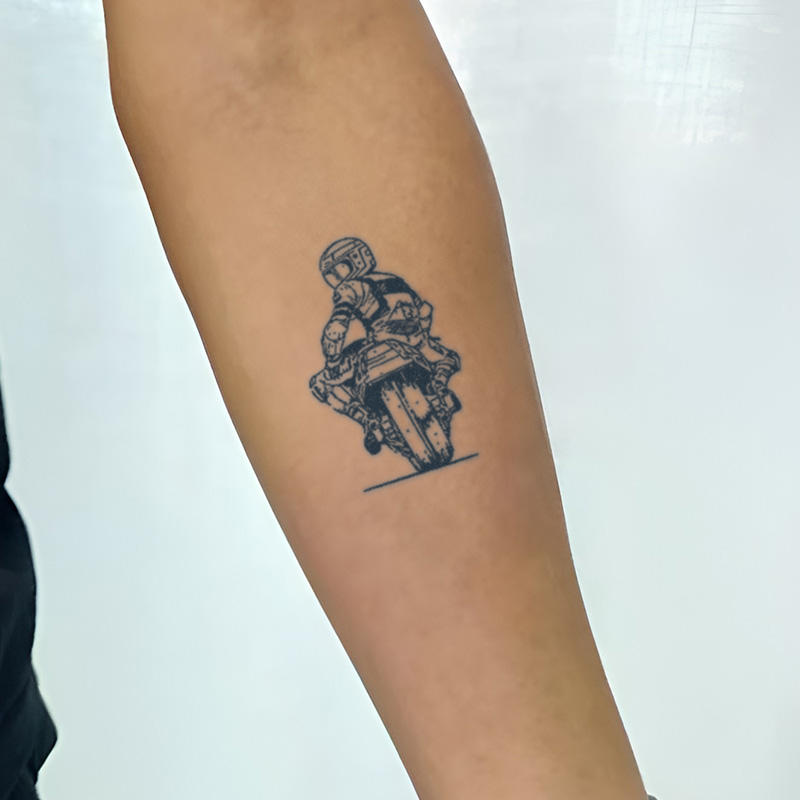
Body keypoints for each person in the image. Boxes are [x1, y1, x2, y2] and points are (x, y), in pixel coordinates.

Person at [3, 1, 660, 797]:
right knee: (338, 383)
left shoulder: (379, 289)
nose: (347, 278)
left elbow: (268, 46)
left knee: (429, 352)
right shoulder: (345, 309)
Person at [309, 236, 461, 455]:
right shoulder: (396, 280)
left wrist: (332, 361)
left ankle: (367, 420)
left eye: (340, 269)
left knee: (320, 383)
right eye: (332, 275)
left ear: (357, 259)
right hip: (416, 343)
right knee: (449, 359)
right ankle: (439, 389)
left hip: (380, 344)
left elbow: (336, 330)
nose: (337, 278)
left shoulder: (351, 288)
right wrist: (422, 336)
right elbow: (425, 310)